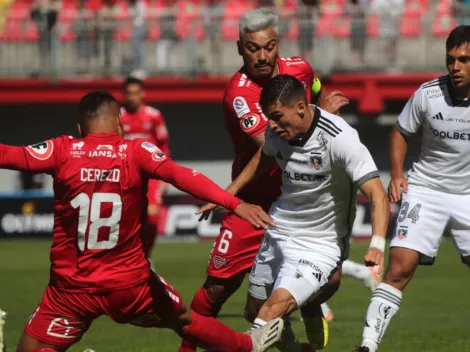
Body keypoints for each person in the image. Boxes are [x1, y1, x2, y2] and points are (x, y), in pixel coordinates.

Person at [4, 91, 283, 352]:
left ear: (79, 128)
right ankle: (249, 345)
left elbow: (8, 155)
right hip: (129, 287)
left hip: (70, 290)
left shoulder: (61, 150)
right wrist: (235, 203)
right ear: (119, 123)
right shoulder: (135, 152)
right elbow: (181, 176)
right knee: (184, 320)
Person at [180, 9, 378, 352]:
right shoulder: (238, 94)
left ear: (278, 44)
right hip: (255, 202)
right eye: (253, 48)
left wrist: (323, 114)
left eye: (269, 46)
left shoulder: (300, 68)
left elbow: (315, 96)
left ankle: (306, 305)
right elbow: (272, 144)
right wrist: (228, 196)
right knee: (220, 292)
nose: (262, 56)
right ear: (240, 48)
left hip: (305, 199)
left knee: (328, 280)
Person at [203, 74, 388, 346]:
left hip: (320, 243)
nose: (272, 125)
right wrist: (228, 193)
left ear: (301, 107)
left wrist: (377, 243)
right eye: (269, 117)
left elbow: (377, 193)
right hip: (279, 228)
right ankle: (300, 335)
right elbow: (264, 158)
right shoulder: (277, 130)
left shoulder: (340, 138)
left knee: (270, 312)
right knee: (252, 311)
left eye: (277, 116)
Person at [353, 25, 470, 352]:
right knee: (400, 267)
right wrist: (397, 173)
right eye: (451, 59)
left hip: (468, 194)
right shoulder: (428, 94)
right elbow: (401, 132)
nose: (455, 67)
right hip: (426, 189)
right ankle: (367, 345)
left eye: (464, 59)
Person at [121, 77, 170, 256]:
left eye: (135, 93)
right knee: (126, 220)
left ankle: (145, 257)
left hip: (151, 175)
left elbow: (164, 144)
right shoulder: (118, 116)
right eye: (129, 93)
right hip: (125, 175)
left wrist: (165, 174)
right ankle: (129, 259)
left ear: (142, 94)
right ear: (124, 95)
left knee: (153, 218)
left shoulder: (154, 115)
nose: (132, 97)